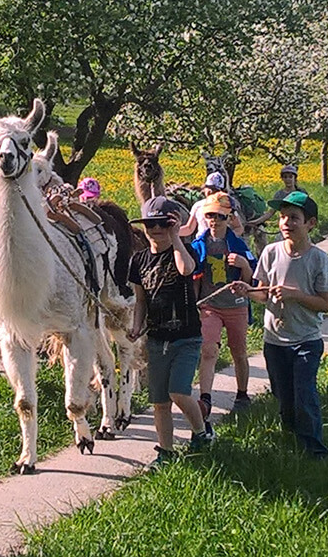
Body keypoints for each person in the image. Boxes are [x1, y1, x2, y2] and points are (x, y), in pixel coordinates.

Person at [228, 191, 328, 459]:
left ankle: (315, 450)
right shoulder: (270, 252)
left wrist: (295, 294)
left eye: (294, 218)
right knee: (283, 395)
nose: (286, 222)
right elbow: (262, 293)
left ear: (310, 223)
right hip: (274, 341)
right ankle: (290, 439)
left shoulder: (318, 259)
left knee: (304, 394)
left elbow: (325, 304)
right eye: (283, 217)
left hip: (306, 341)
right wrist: (246, 291)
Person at [127, 197, 213, 470]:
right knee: (160, 401)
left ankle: (201, 433)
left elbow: (186, 270)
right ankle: (165, 451)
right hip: (156, 337)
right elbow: (140, 300)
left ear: (172, 225)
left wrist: (176, 237)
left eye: (162, 224)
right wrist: (137, 326)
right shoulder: (138, 260)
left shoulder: (185, 251)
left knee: (178, 391)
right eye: (150, 224)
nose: (156, 230)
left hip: (186, 335)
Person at [189, 197, 257, 420]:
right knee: (208, 350)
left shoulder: (238, 245)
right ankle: (205, 399)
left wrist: (244, 266)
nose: (214, 221)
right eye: (210, 215)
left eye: (219, 216)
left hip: (236, 306)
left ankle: (242, 395)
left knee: (238, 351)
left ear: (228, 217)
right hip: (210, 305)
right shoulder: (199, 245)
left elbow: (251, 283)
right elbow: (193, 277)